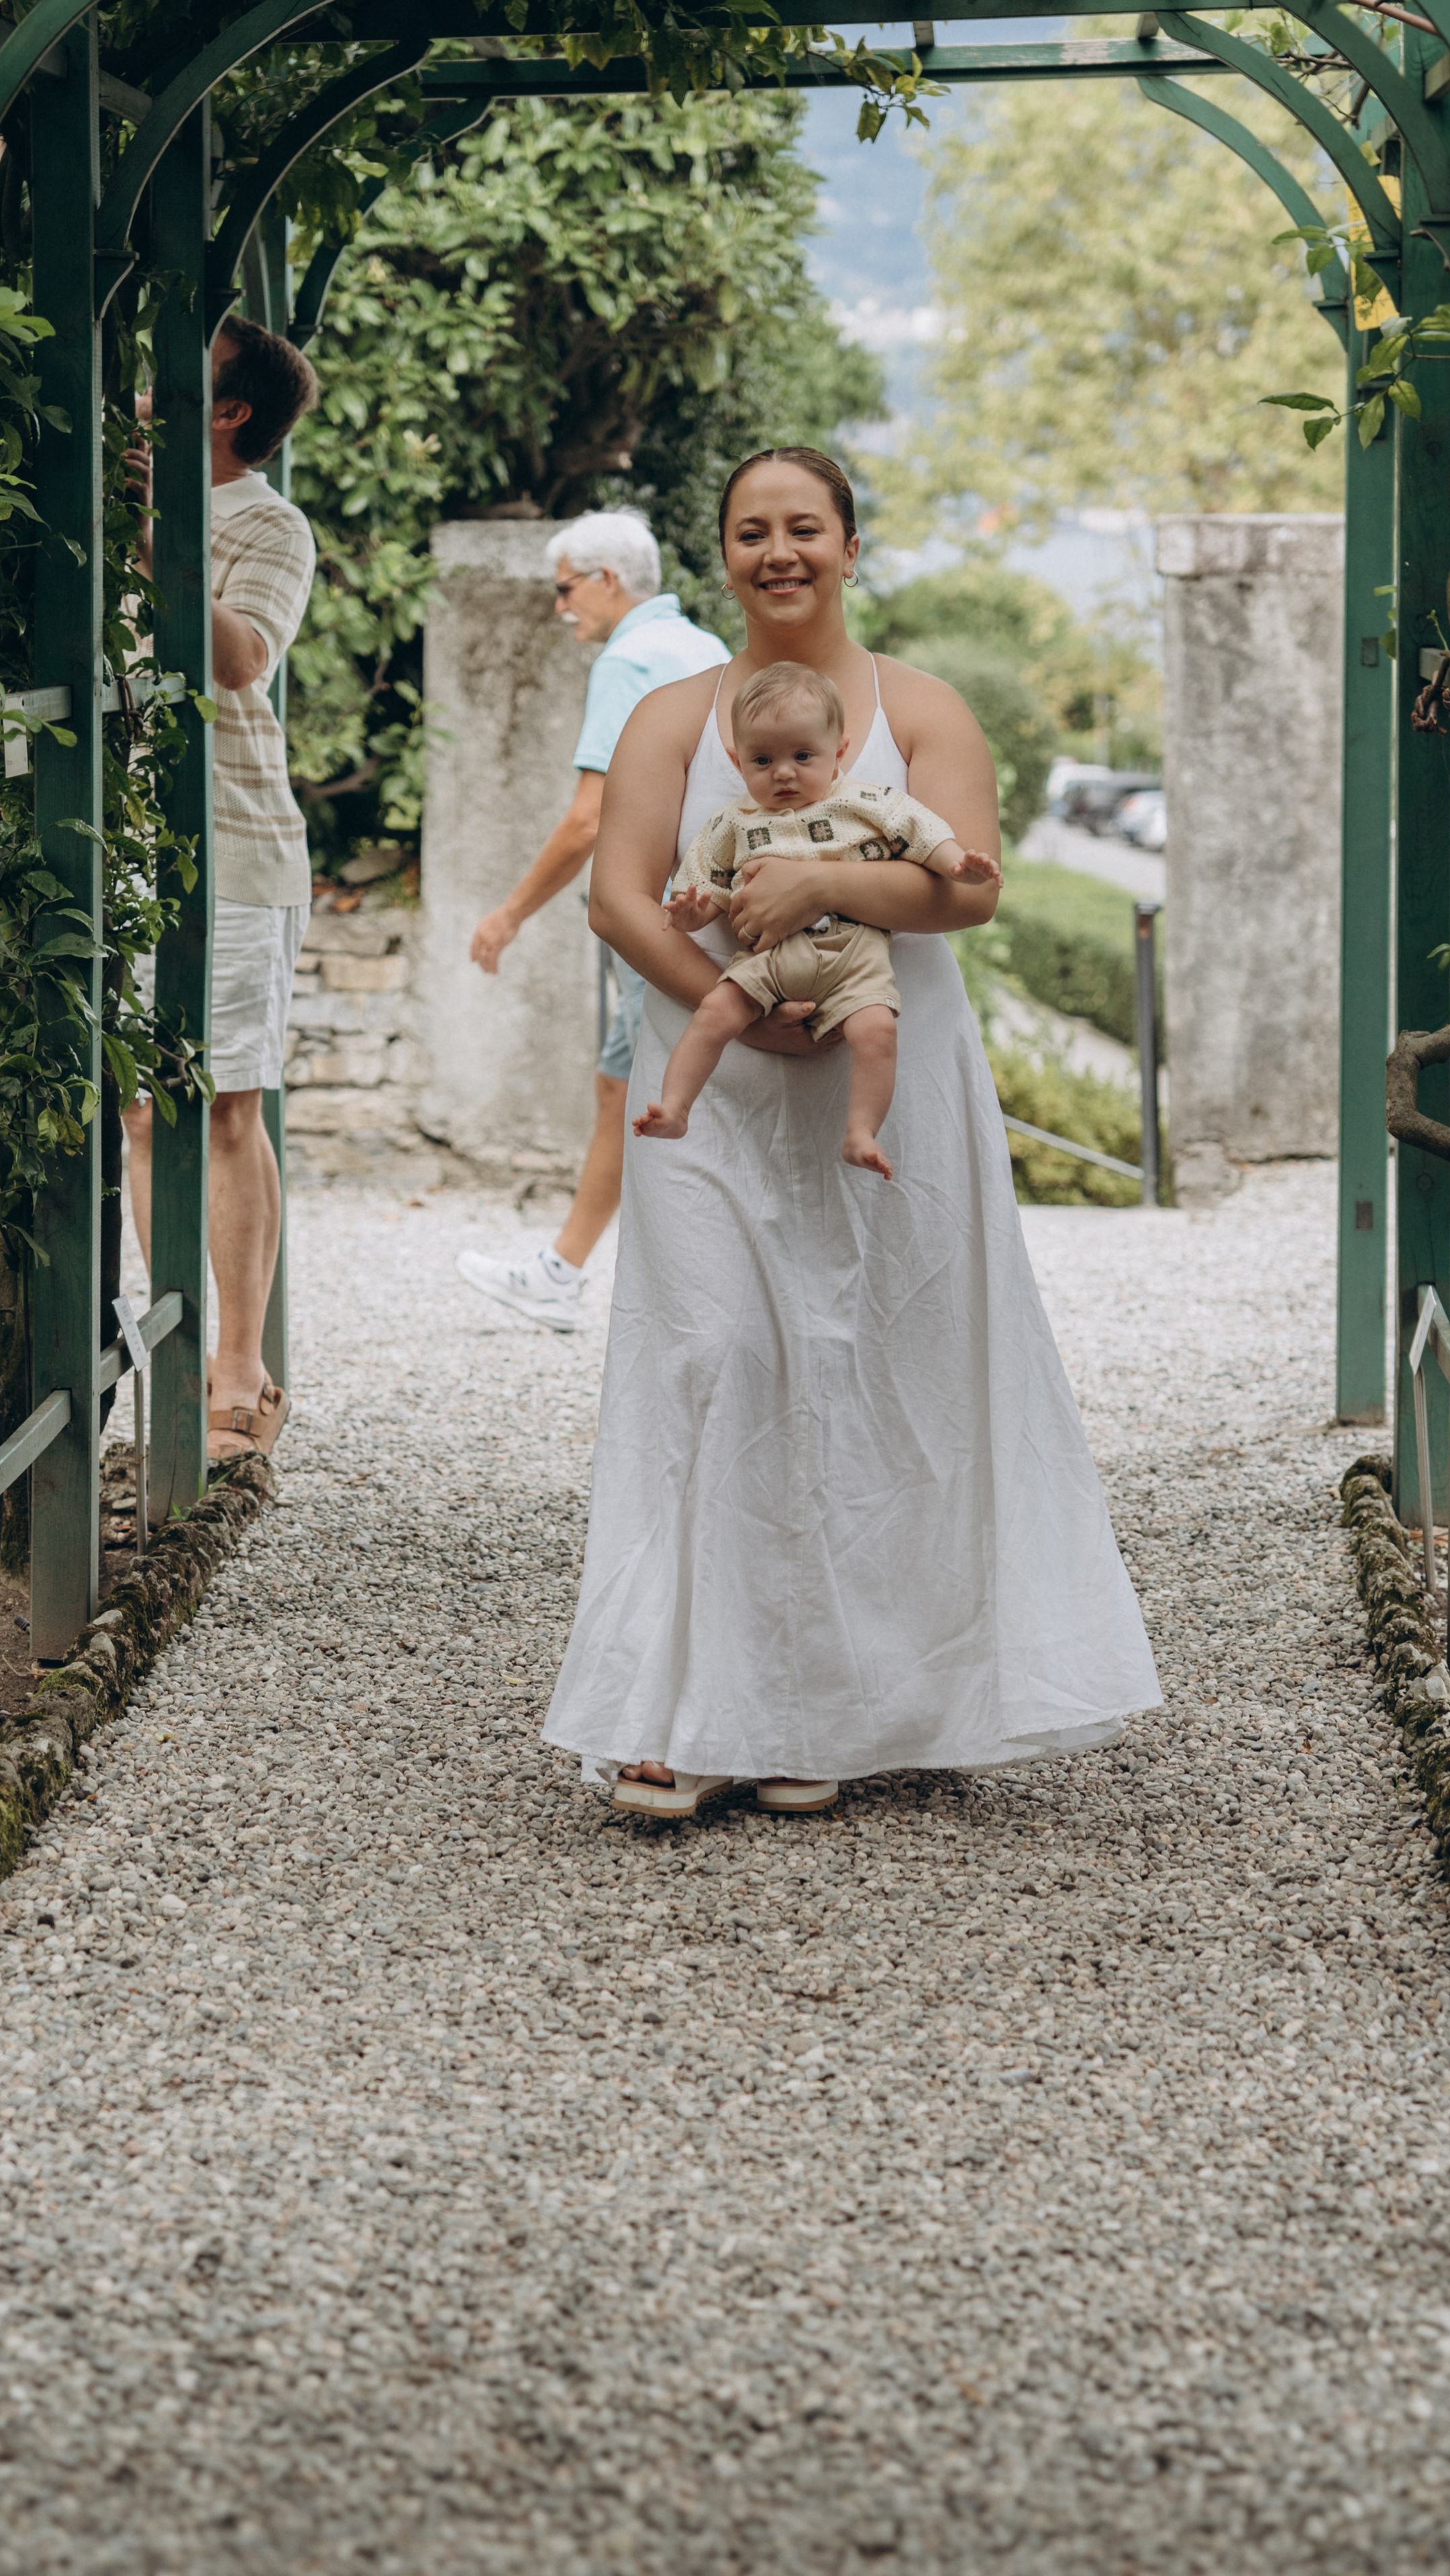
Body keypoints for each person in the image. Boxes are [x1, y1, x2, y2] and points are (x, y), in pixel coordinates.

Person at [540, 446, 1161, 1817]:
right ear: (722, 555)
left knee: (874, 1367)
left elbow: (968, 891)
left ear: (848, 545)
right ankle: (677, 1710)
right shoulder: (671, 717)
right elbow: (617, 896)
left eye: (804, 528)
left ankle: (822, 1711)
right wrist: (730, 1008)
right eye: (751, 531)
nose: (779, 551)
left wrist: (826, 875)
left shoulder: (921, 711)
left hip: (886, 1081)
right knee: (712, 1355)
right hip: (708, 1083)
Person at [123, 318, 321, 1462]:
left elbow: (241, 658)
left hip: (235, 845)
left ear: (230, 409)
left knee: (229, 1103)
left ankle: (244, 1367)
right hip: (123, 849)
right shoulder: (108, 504)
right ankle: (179, 1356)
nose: (145, 391)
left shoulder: (268, 524)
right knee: (145, 1110)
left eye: (175, 375)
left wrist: (158, 538)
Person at [456, 509, 728, 1332]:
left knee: (670, 1101)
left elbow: (589, 819)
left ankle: (691, 1297)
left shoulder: (632, 659)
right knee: (622, 1084)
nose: (559, 606)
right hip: (704, 910)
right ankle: (562, 1272)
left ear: (608, 582)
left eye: (565, 588)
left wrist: (507, 915)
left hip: (657, 922)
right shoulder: (703, 648)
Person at [636, 661, 998, 1179]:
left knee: (876, 1031)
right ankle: (674, 1107)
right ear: (738, 762)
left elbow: (918, 830)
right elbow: (707, 885)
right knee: (715, 1012)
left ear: (839, 753)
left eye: (803, 756)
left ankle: (861, 1132)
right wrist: (692, 911)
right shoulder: (732, 823)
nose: (783, 773)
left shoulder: (864, 802)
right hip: (771, 956)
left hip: (855, 954)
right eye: (763, 760)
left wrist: (956, 863)